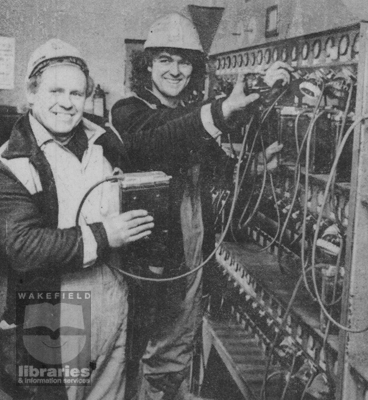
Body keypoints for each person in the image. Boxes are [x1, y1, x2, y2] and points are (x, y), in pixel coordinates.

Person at [0, 36, 277, 400]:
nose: (66, 104)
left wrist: (239, 141)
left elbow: (163, 140)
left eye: (76, 93)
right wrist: (104, 235)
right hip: (53, 306)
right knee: (53, 395)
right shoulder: (13, 162)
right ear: (31, 94)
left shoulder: (103, 140)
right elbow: (22, 247)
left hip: (115, 299)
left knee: (113, 392)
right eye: (55, 91)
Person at [111, 12, 291, 400]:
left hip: (191, 255)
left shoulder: (190, 118)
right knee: (144, 350)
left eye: (185, 61)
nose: (175, 71)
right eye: (165, 60)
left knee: (176, 349)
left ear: (194, 68)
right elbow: (162, 140)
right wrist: (223, 109)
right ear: (148, 65)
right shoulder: (128, 112)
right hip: (153, 260)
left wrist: (258, 166)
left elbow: (218, 169)